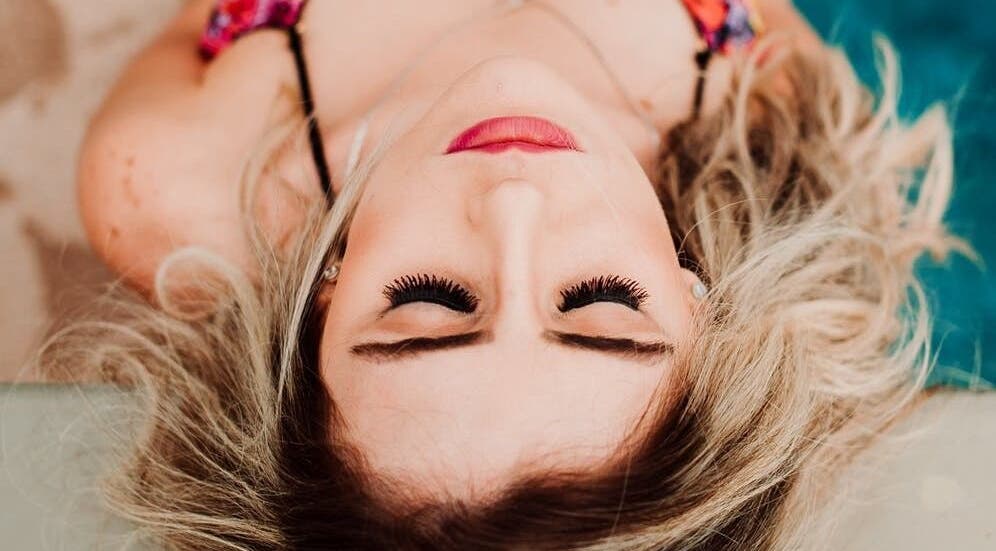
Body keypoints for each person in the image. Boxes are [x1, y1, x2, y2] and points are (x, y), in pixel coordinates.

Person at [51, 0, 961, 548]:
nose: (515, 202)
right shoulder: (782, 133)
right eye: (605, 306)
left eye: (429, 300)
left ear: (321, 306)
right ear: (698, 306)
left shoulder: (168, 176)